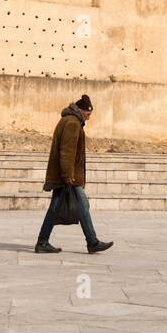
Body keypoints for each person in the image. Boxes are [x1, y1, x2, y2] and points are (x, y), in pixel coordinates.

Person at [34, 94, 113, 254]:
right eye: (88, 114)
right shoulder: (72, 123)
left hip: (65, 174)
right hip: (69, 176)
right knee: (82, 205)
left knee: (55, 208)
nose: (89, 118)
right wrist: (67, 173)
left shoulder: (69, 120)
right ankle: (92, 241)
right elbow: (67, 151)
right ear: (82, 111)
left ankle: (42, 241)